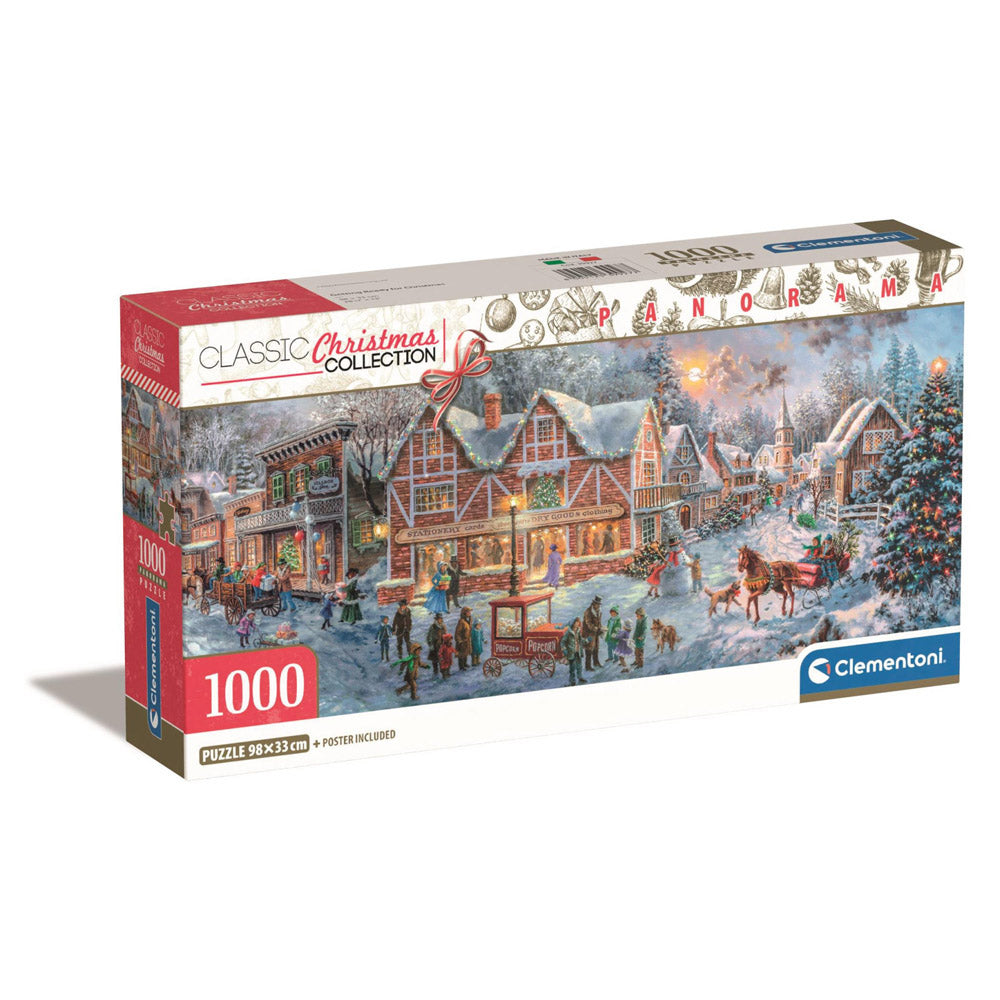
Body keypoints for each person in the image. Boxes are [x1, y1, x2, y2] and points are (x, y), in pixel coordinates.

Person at [560, 617, 587, 686]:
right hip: (571, 652)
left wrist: (587, 640)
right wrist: (564, 649)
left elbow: (581, 640)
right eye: (576, 622)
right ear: (573, 623)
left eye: (578, 622)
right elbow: (563, 641)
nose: (577, 624)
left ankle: (580, 677)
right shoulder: (568, 632)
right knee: (572, 667)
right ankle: (572, 681)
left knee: (579, 665)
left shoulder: (578, 631)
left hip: (578, 651)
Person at [582, 596, 604, 671]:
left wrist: (600, 628)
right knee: (589, 649)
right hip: (588, 633)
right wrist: (595, 629)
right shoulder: (588, 611)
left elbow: (599, 622)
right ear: (594, 604)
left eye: (599, 604)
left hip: (595, 632)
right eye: (597, 604)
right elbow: (588, 623)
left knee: (596, 647)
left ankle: (596, 662)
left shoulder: (599, 611)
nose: (599, 606)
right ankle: (588, 666)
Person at [426, 612, 445, 677]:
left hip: (441, 645)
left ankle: (443, 672)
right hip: (434, 645)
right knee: (435, 660)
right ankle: (435, 672)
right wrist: (430, 644)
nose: (441, 620)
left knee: (441, 659)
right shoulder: (433, 627)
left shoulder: (443, 626)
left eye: (441, 618)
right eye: (439, 619)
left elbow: (445, 634)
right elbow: (429, 636)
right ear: (436, 619)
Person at [454, 607, 473, 671]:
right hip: (462, 641)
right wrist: (459, 640)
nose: (470, 613)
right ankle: (461, 666)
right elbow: (457, 632)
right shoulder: (461, 621)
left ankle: (465, 664)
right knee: (461, 654)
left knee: (466, 653)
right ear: (464, 613)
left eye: (470, 612)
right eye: (468, 612)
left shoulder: (467, 620)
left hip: (466, 640)